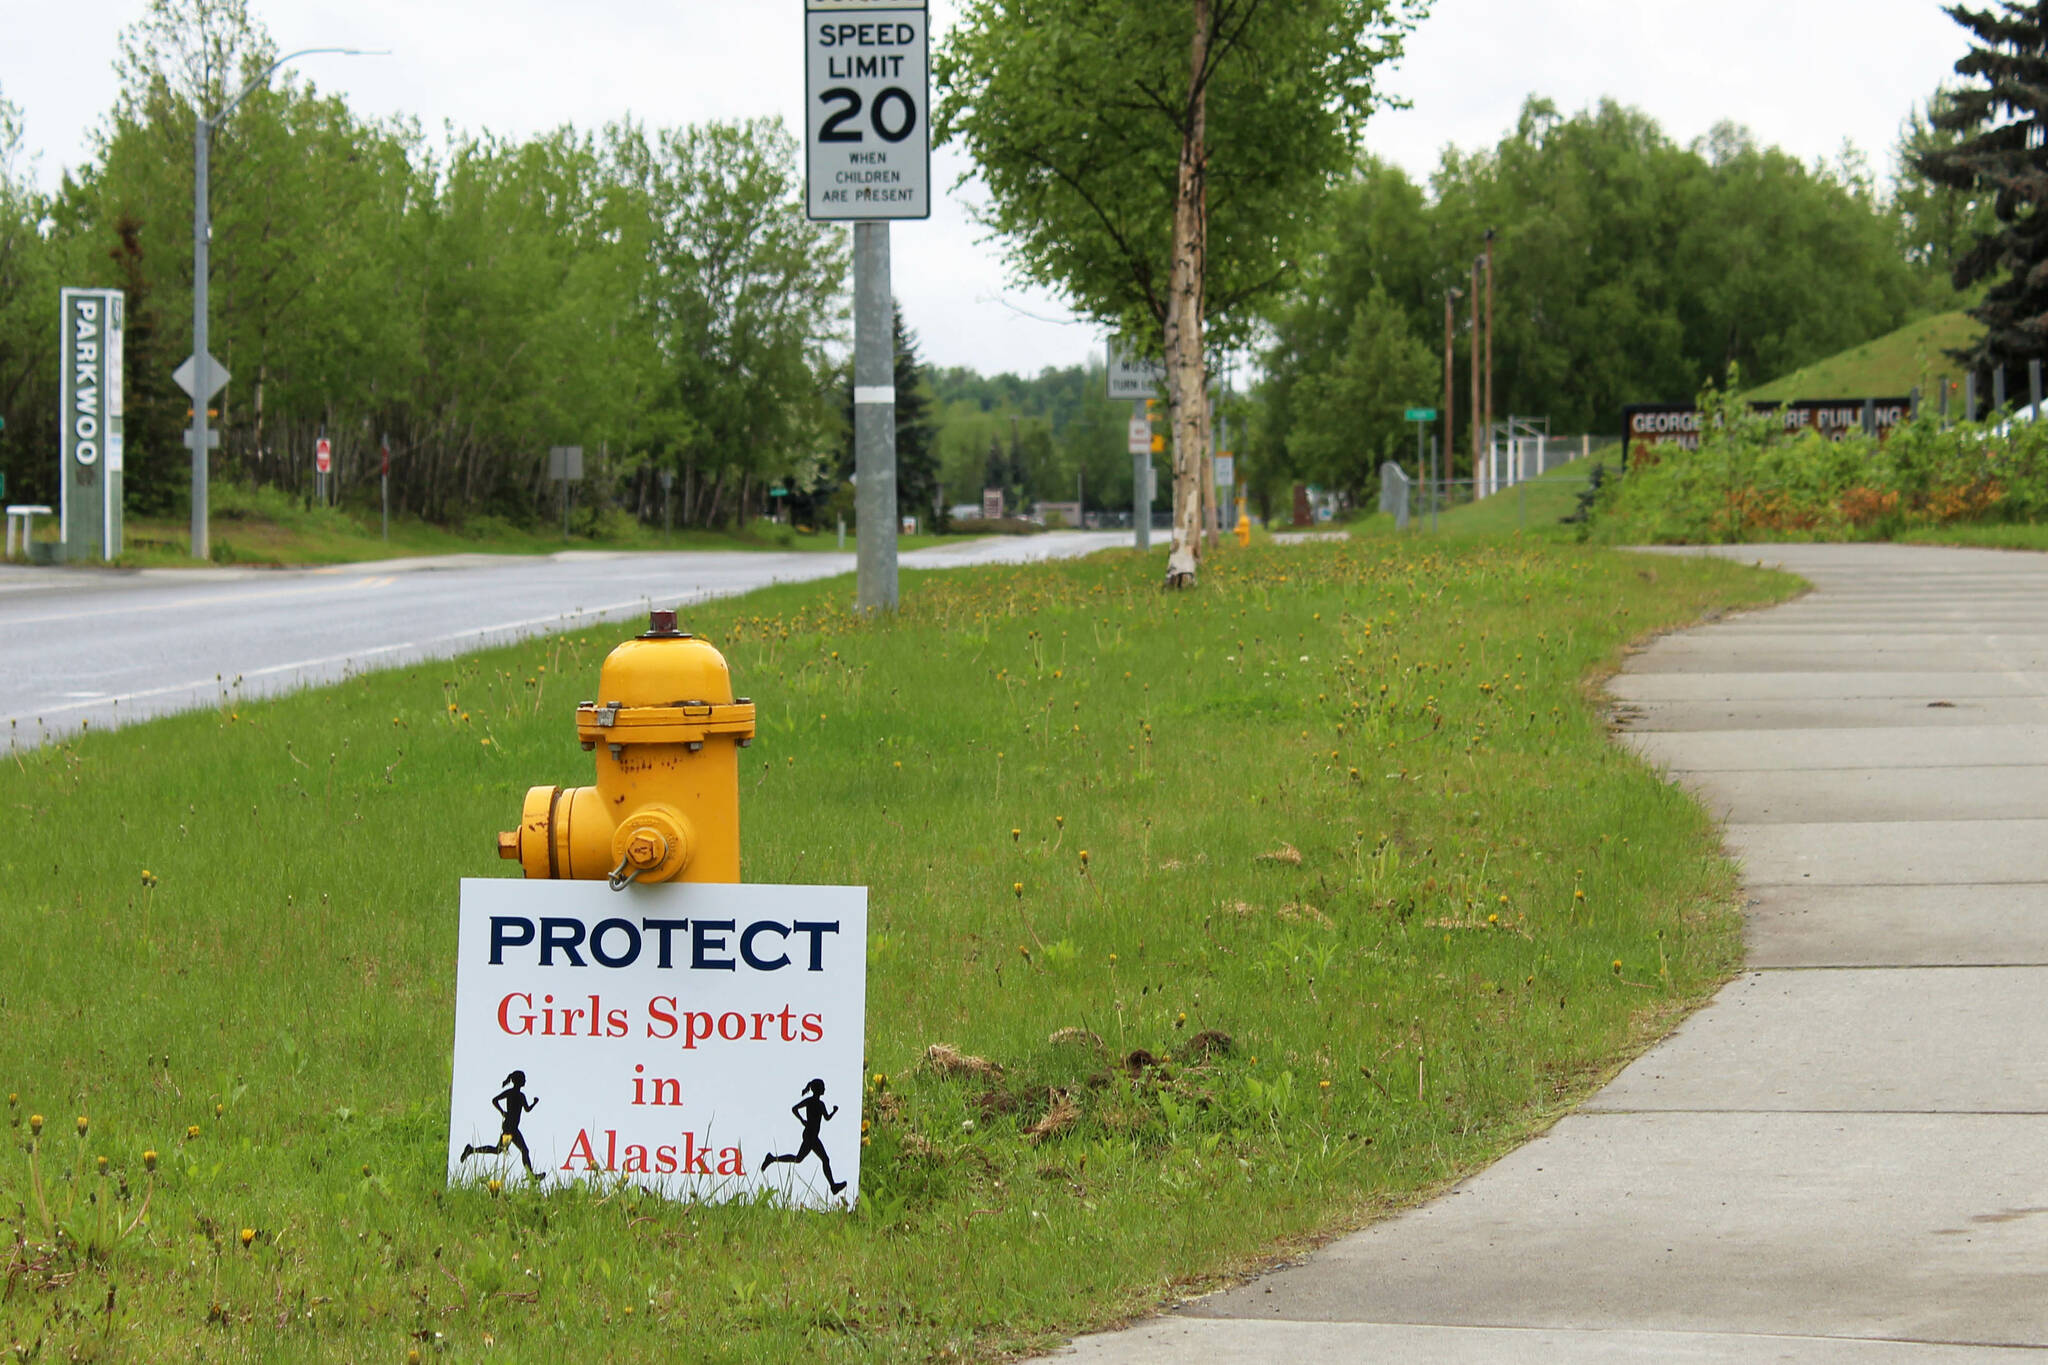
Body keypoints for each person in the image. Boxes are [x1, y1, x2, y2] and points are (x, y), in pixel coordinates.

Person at [759, 1078, 846, 1194]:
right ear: (818, 1089)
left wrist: (832, 1112)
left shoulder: (818, 1103)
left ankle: (833, 1186)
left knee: (809, 1159)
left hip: (812, 1135)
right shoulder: (815, 1103)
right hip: (810, 1135)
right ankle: (772, 1159)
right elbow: (795, 1109)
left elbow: (826, 1118)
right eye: (823, 1087)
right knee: (805, 1159)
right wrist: (802, 1120)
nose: (825, 1089)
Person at [460, 1070, 540, 1176]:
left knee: (498, 1150)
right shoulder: (520, 1096)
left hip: (510, 1127)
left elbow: (495, 1100)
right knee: (523, 1150)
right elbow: (527, 1109)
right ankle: (531, 1176)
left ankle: (471, 1150)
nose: (525, 1080)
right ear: (519, 1081)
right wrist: (534, 1103)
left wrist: (503, 1112)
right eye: (524, 1078)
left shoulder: (513, 1094)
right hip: (510, 1129)